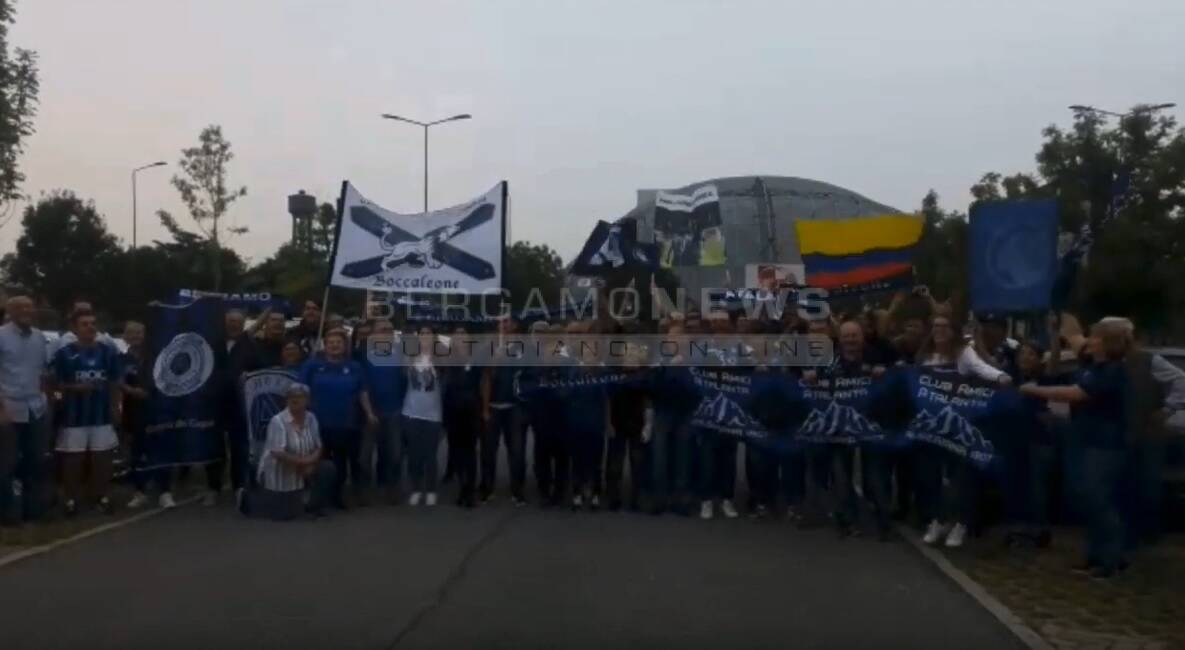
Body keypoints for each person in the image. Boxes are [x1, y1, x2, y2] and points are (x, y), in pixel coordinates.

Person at [1021, 320, 1131, 579]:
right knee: (1086, 500)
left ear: (1106, 343)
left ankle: (1112, 560)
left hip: (1103, 446)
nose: (1089, 342)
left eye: (1095, 338)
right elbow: (1074, 338)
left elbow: (1075, 394)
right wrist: (1060, 323)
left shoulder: (1113, 371)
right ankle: (1096, 557)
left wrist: (1035, 390)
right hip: (1084, 441)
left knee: (1098, 500)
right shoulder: (1094, 366)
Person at [917, 313, 1010, 548]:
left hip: (958, 425)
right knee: (932, 477)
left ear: (953, 330)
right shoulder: (925, 355)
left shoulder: (963, 353)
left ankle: (960, 523)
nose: (938, 330)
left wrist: (1000, 376)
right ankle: (938, 519)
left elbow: (980, 368)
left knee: (960, 478)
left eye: (944, 326)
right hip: (932, 426)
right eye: (935, 326)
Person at [52, 308, 122, 516]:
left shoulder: (108, 352)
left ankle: (101, 496)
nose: (90, 327)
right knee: (73, 459)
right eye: (84, 324)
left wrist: (116, 407)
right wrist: (76, 388)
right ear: (74, 328)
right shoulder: (64, 354)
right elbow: (56, 384)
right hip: (74, 416)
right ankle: (71, 499)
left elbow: (114, 383)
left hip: (101, 414)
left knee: (103, 457)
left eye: (93, 323)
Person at [300, 328, 379, 508]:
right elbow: (301, 390)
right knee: (320, 462)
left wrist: (369, 413)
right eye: (331, 342)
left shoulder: (354, 367)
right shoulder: (312, 365)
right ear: (325, 346)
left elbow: (362, 391)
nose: (335, 345)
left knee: (341, 464)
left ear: (345, 346)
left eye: (338, 342)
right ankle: (319, 497)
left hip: (346, 423)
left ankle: (337, 497)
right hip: (318, 423)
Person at [242, 383, 337, 520]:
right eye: (291, 396)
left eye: (299, 396)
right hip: (279, 469)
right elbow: (278, 453)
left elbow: (318, 446)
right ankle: (247, 499)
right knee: (283, 516)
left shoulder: (312, 418)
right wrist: (303, 463)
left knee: (328, 468)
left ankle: (314, 506)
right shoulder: (278, 421)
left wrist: (310, 464)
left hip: (301, 467)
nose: (295, 399)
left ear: (308, 400)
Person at [0, 296, 51, 526]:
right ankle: (9, 515)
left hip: (35, 408)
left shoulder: (40, 337)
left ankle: (34, 512)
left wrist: (45, 398)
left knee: (36, 461)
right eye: (20, 307)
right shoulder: (1, 336)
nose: (26, 311)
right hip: (8, 408)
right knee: (7, 464)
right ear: (9, 311)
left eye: (30, 307)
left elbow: (42, 371)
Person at [122, 321, 175, 510]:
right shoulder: (123, 359)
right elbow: (117, 383)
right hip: (133, 413)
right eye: (131, 332)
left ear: (146, 335)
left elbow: (164, 381)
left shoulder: (156, 356)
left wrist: (141, 391)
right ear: (124, 337)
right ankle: (140, 492)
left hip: (157, 411)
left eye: (139, 332)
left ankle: (165, 493)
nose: (135, 336)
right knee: (137, 453)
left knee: (161, 451)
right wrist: (128, 390)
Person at [205, 309, 252, 506]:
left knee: (239, 447)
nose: (233, 325)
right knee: (213, 447)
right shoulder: (210, 344)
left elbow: (258, 369)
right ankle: (213, 488)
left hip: (240, 404)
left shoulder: (251, 345)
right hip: (214, 403)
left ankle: (239, 486)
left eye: (237, 322)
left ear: (243, 325)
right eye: (230, 321)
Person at [481, 317, 527, 505]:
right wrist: (484, 408)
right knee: (488, 451)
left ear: (515, 325)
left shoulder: (524, 347)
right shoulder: (490, 346)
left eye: (507, 321)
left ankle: (517, 491)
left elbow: (528, 376)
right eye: (500, 322)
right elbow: (485, 378)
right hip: (492, 407)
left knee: (517, 451)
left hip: (515, 408)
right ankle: (486, 489)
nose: (503, 325)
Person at [363, 319, 407, 503]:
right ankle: (364, 490)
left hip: (395, 411)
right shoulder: (364, 356)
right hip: (370, 413)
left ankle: (392, 488)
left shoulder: (402, 355)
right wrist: (368, 411)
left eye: (390, 330)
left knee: (395, 454)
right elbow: (362, 386)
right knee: (364, 457)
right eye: (382, 330)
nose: (387, 333)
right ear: (373, 334)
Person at [402, 327, 444, 506]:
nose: (425, 337)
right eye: (422, 334)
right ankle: (416, 488)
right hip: (411, 412)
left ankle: (431, 489)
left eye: (429, 334)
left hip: (433, 414)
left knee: (430, 454)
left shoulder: (442, 359)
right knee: (414, 454)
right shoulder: (409, 357)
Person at [443, 326, 484, 508]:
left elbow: (483, 384)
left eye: (463, 337)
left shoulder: (475, 360)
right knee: (456, 450)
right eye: (457, 337)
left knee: (470, 450)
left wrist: (483, 409)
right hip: (452, 411)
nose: (460, 340)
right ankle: (462, 486)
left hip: (471, 410)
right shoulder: (447, 360)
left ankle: (470, 489)